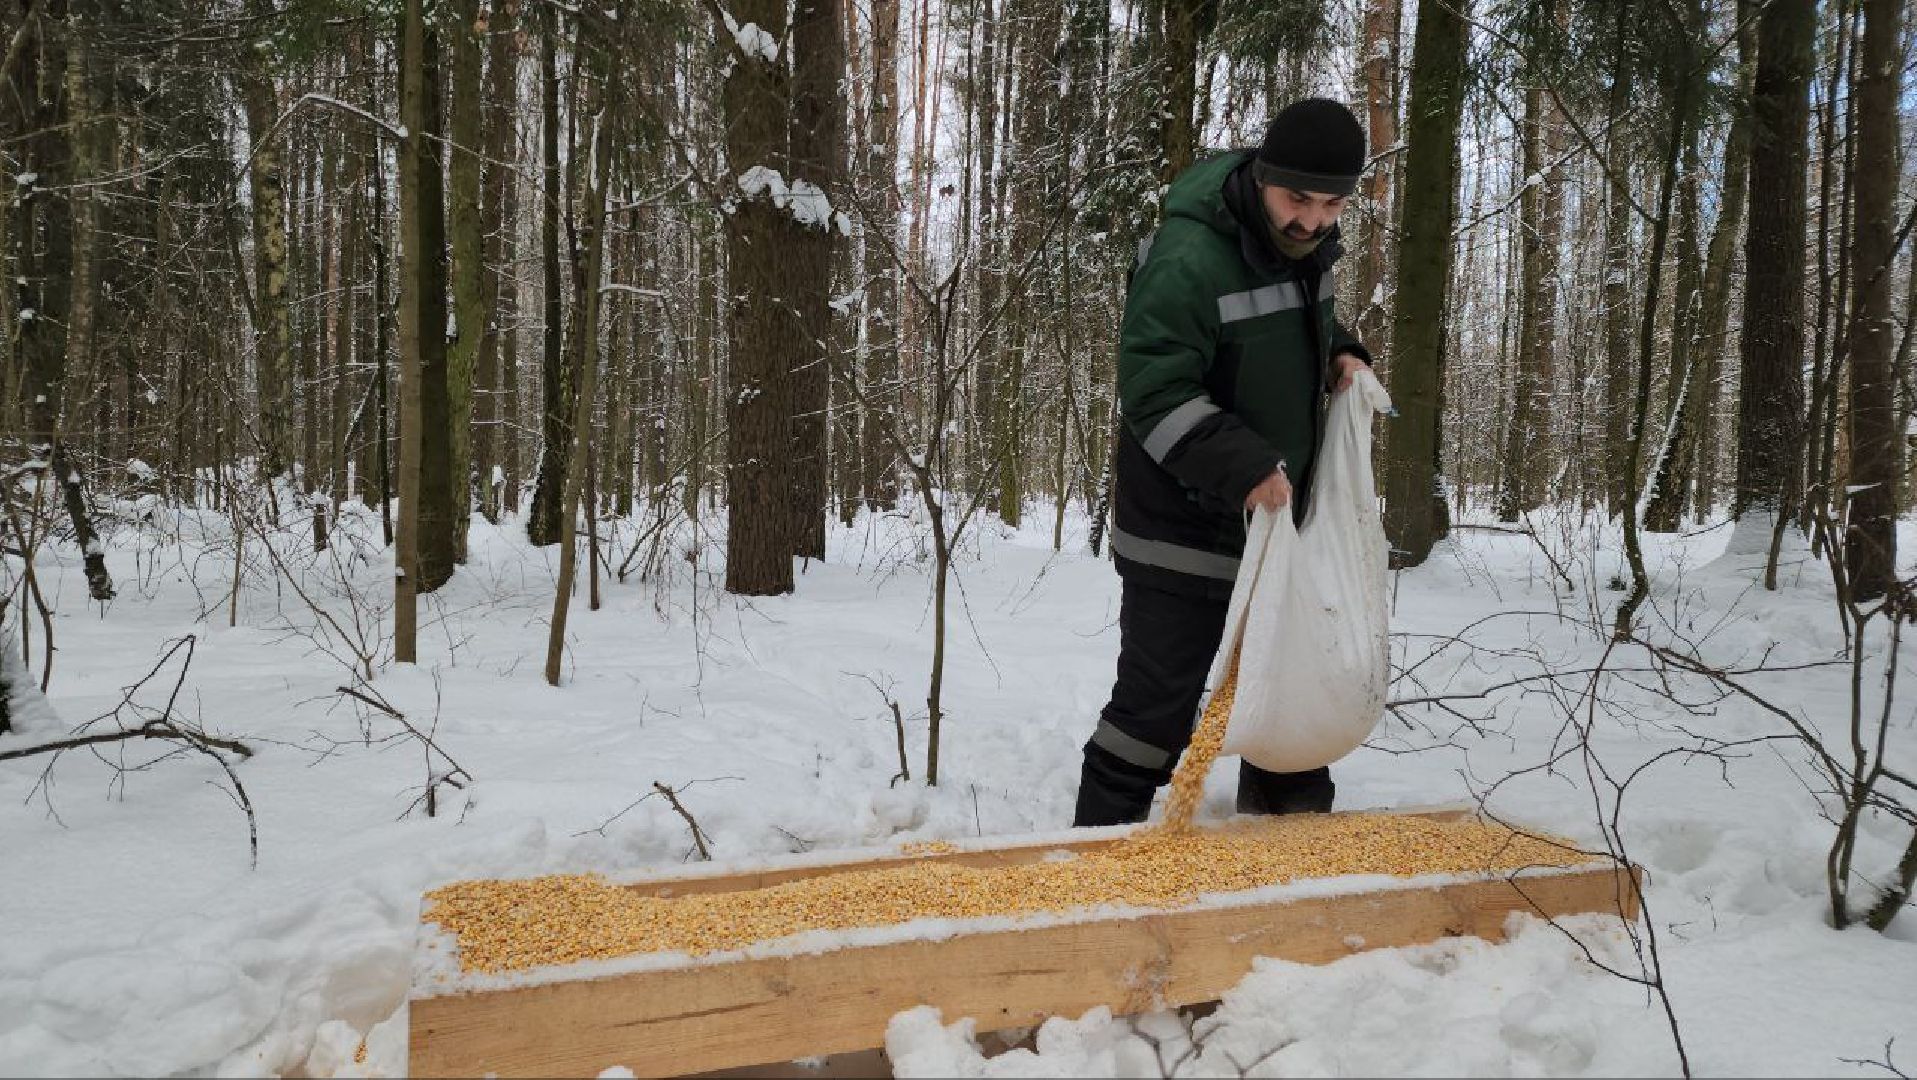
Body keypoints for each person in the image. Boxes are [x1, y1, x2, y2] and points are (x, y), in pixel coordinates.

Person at [1074, 98, 1374, 828]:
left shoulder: (1303, 250)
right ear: (1261, 177)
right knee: (1154, 712)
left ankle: (1289, 852)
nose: (1311, 220)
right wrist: (1243, 466)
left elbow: (1303, 322)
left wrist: (1343, 350)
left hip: (1268, 525)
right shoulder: (1188, 257)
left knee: (1283, 690)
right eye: (1295, 199)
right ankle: (1093, 863)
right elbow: (1155, 391)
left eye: (1330, 203)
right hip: (1181, 527)